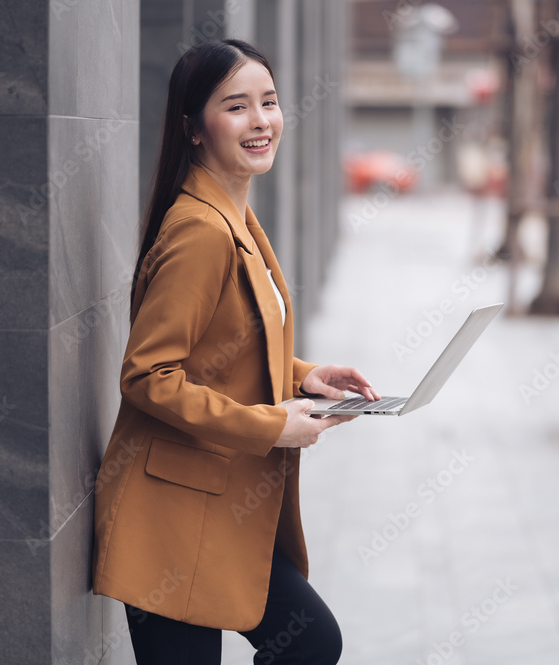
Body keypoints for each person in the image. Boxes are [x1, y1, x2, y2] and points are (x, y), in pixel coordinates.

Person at [91, 39, 379, 665]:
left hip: (214, 506)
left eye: (269, 103)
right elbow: (148, 376)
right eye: (237, 106)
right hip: (171, 515)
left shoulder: (235, 215)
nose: (261, 121)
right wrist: (272, 424)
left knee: (309, 642)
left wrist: (306, 378)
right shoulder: (201, 229)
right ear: (194, 128)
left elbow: (223, 348)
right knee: (311, 642)